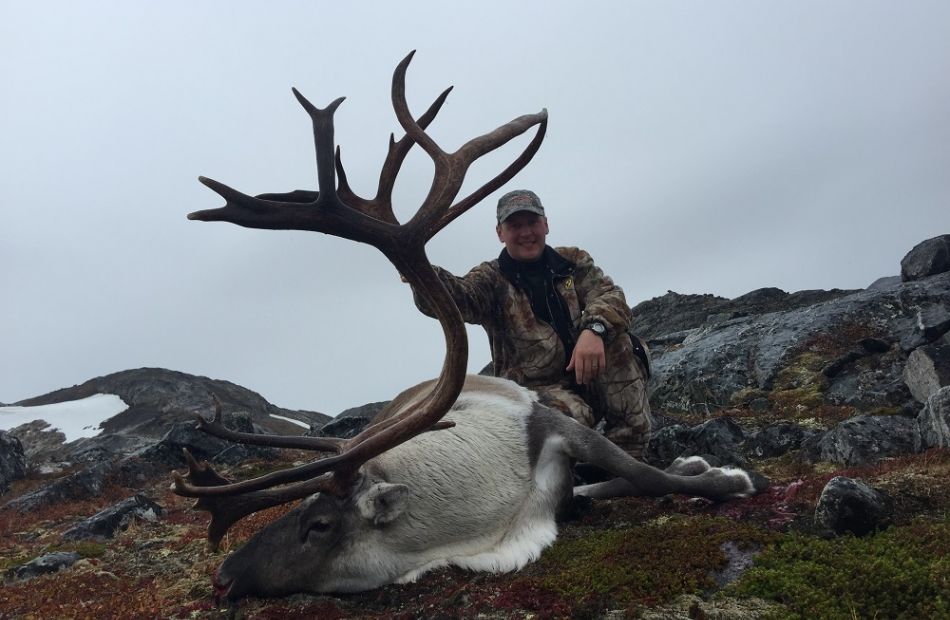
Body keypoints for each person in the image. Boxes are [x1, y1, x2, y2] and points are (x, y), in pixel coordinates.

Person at [410, 189, 652, 458]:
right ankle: (566, 472)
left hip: (588, 374)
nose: (526, 232)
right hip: (534, 394)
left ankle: (630, 454)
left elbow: (609, 295)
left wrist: (593, 331)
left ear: (546, 224)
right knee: (574, 419)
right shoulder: (491, 280)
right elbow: (457, 299)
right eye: (515, 226)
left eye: (532, 223)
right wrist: (421, 273)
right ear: (500, 233)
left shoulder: (572, 262)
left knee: (620, 344)